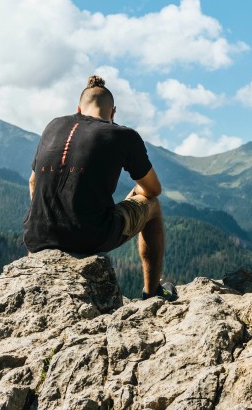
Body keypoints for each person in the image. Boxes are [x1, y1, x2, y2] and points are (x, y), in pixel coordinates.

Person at [23, 75, 175, 300]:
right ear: (113, 112)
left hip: (36, 237)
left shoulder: (53, 126)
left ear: (78, 108)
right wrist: (135, 194)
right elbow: (153, 190)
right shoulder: (123, 135)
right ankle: (152, 293)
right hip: (89, 236)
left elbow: (33, 182)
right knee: (153, 206)